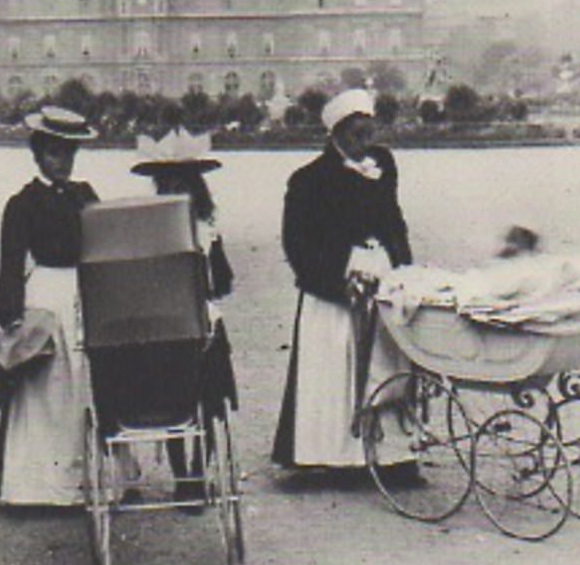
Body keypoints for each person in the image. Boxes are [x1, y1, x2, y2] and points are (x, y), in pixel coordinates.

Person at [272, 88, 415, 471]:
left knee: (387, 359)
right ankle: (328, 456)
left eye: (369, 134)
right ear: (334, 134)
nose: (363, 144)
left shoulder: (382, 164)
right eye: (355, 135)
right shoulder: (307, 180)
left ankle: (391, 456)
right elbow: (296, 245)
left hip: (380, 277)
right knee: (332, 365)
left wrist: (404, 271)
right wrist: (337, 284)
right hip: (335, 285)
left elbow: (394, 222)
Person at [0, 105, 99, 505]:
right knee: (45, 385)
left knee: (85, 383)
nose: (63, 162)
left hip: (85, 293)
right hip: (46, 294)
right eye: (55, 153)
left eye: (69, 154)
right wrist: (11, 316)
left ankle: (91, 480)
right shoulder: (23, 203)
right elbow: (10, 264)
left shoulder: (86, 196)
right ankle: (38, 487)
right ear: (38, 154)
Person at [130, 128, 239, 503]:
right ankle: (183, 475)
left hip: (200, 318)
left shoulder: (207, 229)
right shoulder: (152, 228)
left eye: (184, 183)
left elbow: (223, 280)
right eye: (170, 182)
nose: (177, 190)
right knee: (173, 402)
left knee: (208, 402)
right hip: (167, 322)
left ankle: (199, 470)